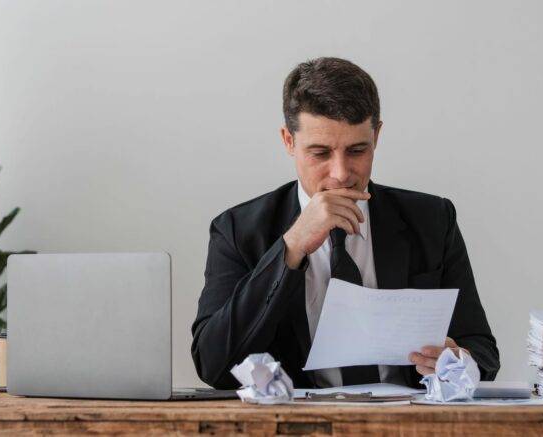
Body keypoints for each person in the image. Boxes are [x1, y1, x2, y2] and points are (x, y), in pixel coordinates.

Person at [191, 57, 500, 389]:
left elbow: (484, 351)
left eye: (356, 150)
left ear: (376, 136)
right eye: (320, 153)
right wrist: (290, 247)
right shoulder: (237, 230)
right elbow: (213, 365)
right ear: (288, 141)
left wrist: (458, 359)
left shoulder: (432, 219)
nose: (340, 173)